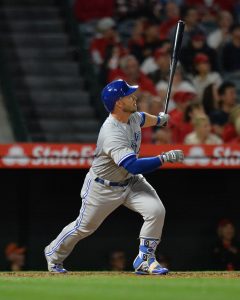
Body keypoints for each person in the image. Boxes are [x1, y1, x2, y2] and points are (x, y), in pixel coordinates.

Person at [44, 79, 184, 275]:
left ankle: (144, 260)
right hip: (103, 187)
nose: (134, 96)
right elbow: (133, 165)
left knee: (156, 211)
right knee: (84, 227)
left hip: (130, 182)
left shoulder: (131, 116)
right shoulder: (111, 132)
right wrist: (164, 158)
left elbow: (143, 118)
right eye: (129, 95)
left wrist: (160, 120)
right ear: (119, 102)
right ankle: (53, 253)